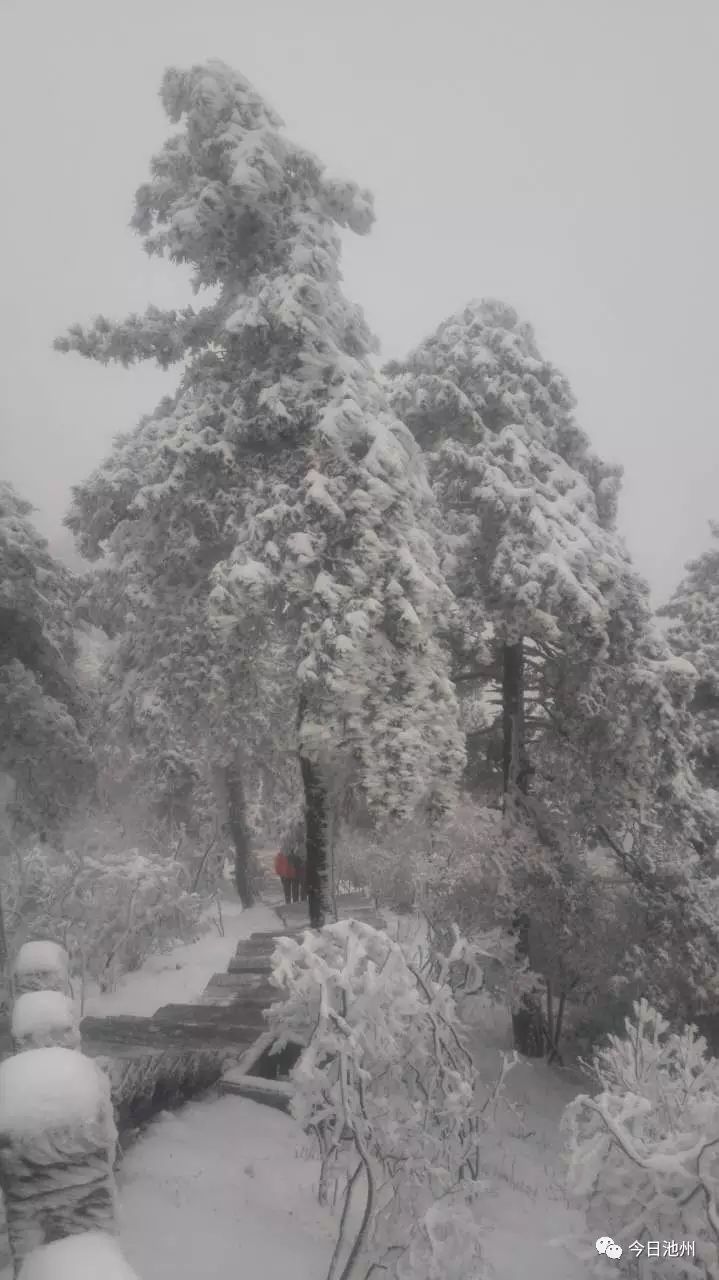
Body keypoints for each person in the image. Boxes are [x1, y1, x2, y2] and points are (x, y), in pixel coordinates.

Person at [275, 817, 307, 904]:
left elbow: (284, 852)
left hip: (290, 865)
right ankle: (297, 903)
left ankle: (291, 903)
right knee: (297, 884)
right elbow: (291, 851)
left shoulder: (286, 836)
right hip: (293, 864)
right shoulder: (296, 837)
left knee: (292, 885)